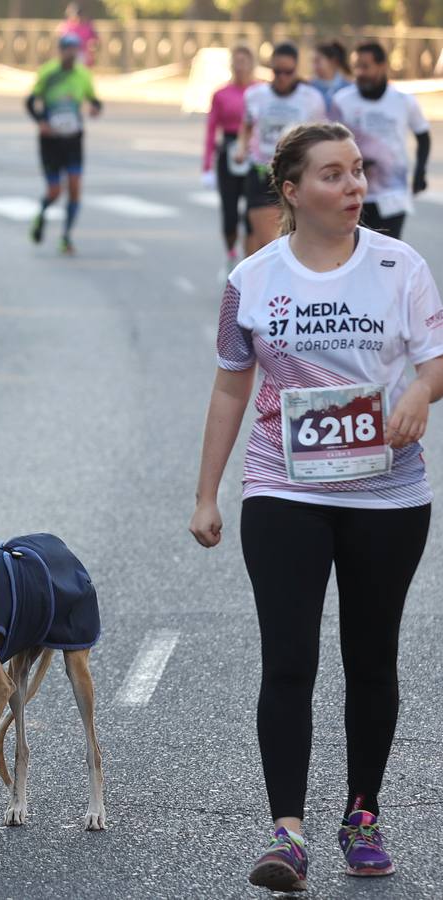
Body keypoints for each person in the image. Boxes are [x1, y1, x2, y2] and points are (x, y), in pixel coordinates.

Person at [191, 122, 443, 893]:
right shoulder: (254, 277)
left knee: (371, 659)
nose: (354, 185)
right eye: (332, 175)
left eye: (358, 171)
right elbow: (233, 385)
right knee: (290, 659)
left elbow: (434, 366)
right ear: (292, 192)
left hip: (388, 492)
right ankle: (287, 834)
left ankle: (362, 816)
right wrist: (207, 492)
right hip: (284, 488)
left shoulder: (401, 265)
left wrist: (416, 396)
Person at [331, 41, 430, 241]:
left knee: (388, 250)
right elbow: (330, 143)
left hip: (392, 193)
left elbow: (423, 136)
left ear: (382, 66)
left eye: (365, 66)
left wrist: (420, 173)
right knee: (353, 249)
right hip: (353, 190)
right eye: (356, 66)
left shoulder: (404, 101)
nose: (359, 72)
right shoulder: (342, 101)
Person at [234, 43, 327, 257]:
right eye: (277, 71)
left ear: (296, 70)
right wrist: (241, 149)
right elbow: (246, 126)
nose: (282, 77)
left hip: (296, 173)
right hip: (261, 171)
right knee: (268, 241)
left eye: (288, 72)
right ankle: (251, 283)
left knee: (289, 237)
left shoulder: (311, 98)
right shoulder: (256, 95)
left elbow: (320, 138)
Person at [26, 33, 101, 256]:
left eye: (76, 50)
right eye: (68, 50)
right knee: (55, 191)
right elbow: (31, 101)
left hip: (73, 139)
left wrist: (96, 108)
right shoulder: (48, 72)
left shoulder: (83, 75)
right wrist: (41, 122)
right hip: (51, 141)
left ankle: (66, 236)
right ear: (60, 51)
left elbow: (94, 99)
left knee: (75, 189)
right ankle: (42, 213)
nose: (72, 54)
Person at [203, 45, 258, 273]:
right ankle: (230, 254)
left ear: (252, 64)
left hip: (254, 154)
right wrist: (206, 166)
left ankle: (250, 263)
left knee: (254, 211)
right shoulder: (221, 94)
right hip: (228, 152)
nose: (240, 65)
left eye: (244, 61)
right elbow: (211, 129)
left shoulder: (260, 92)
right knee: (229, 214)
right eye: (236, 61)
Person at [311, 40, 352, 112]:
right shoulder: (309, 87)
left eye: (317, 61)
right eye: (313, 62)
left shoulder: (349, 88)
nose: (313, 66)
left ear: (333, 61)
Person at [57, 2, 97, 67]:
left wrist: (91, 50)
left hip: (81, 53)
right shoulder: (66, 26)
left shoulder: (86, 26)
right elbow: (62, 39)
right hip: (68, 54)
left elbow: (93, 41)